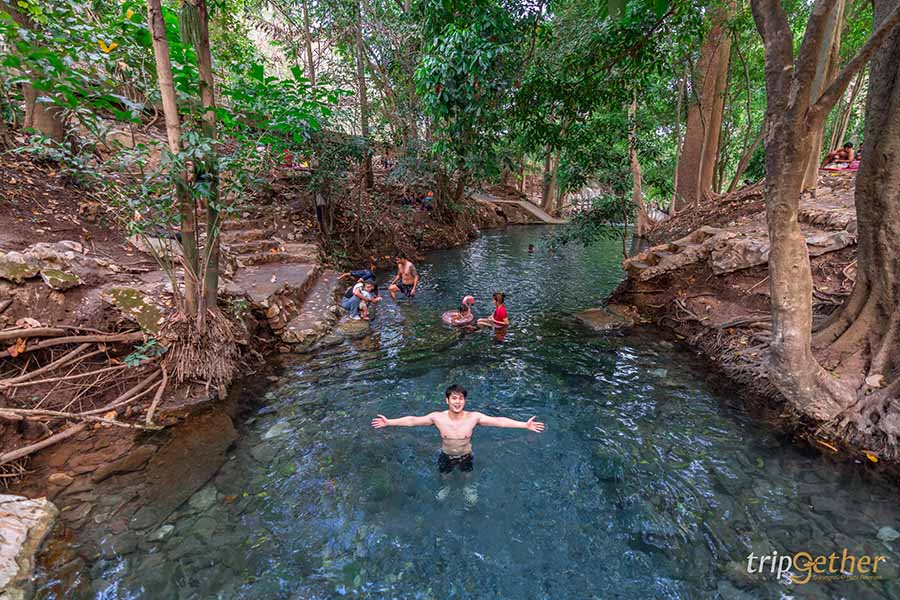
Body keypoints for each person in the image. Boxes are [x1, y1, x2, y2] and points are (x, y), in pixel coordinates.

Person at [371, 384, 544, 477]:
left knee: (466, 476)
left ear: (464, 401)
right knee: (444, 477)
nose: (457, 402)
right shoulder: (437, 418)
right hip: (445, 455)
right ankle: (446, 487)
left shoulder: (473, 418)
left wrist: (524, 425)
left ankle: (468, 487)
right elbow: (413, 421)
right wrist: (389, 422)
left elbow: (499, 421)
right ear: (447, 400)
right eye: (454, 398)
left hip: (466, 455)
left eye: (461, 399)